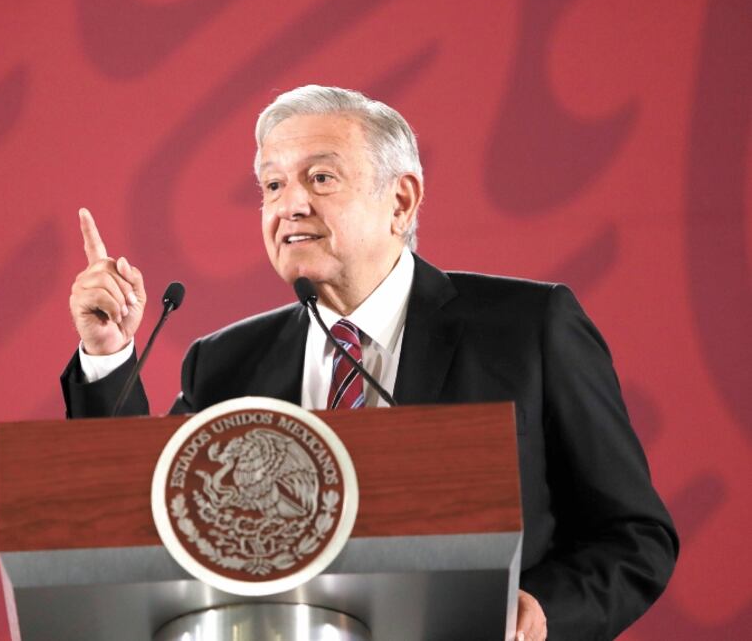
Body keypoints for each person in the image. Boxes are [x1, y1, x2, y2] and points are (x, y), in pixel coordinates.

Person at [61, 85, 677, 640]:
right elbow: (137, 531)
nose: (289, 205)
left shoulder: (528, 328)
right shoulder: (225, 363)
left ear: (400, 201)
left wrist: (542, 610)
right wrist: (109, 354)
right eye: (272, 186)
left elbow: (634, 536)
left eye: (320, 178)